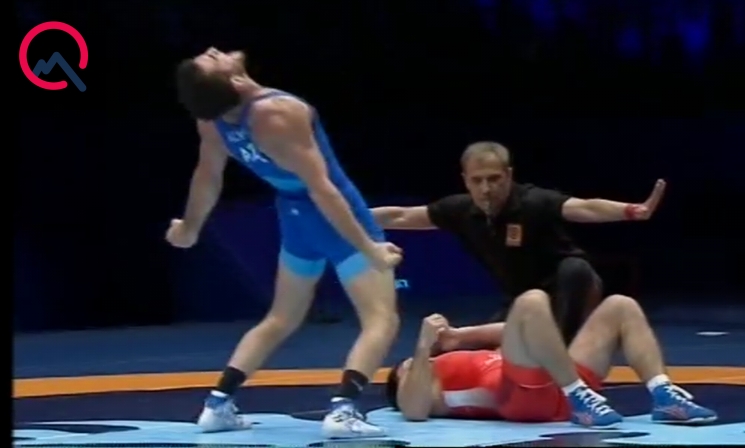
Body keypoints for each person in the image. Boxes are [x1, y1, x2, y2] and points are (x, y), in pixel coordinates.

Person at [168, 47, 402, 438]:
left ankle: (218, 404)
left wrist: (190, 228)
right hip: (331, 213)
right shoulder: (278, 113)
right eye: (212, 59)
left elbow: (208, 175)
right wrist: (369, 248)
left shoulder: (212, 119)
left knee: (281, 317)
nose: (212, 50)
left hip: (293, 217)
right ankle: (343, 411)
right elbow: (323, 189)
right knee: (381, 318)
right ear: (233, 80)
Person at [371, 141, 666, 345]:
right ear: (465, 180)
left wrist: (631, 211)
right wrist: (349, 217)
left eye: (494, 179)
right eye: (477, 180)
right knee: (464, 348)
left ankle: (562, 357)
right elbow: (401, 216)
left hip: (570, 292)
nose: (486, 189)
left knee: (575, 268)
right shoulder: (459, 210)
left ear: (509, 175)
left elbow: (585, 207)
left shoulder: (532, 201)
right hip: (524, 301)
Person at [387, 295, 718, 427]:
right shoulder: (424, 383)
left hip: (550, 383)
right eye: (407, 366)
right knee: (531, 302)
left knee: (620, 306)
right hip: (520, 398)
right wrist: (421, 349)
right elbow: (415, 410)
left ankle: (663, 395)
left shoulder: (461, 358)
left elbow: (515, 330)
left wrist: (460, 336)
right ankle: (579, 396)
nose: (414, 362)